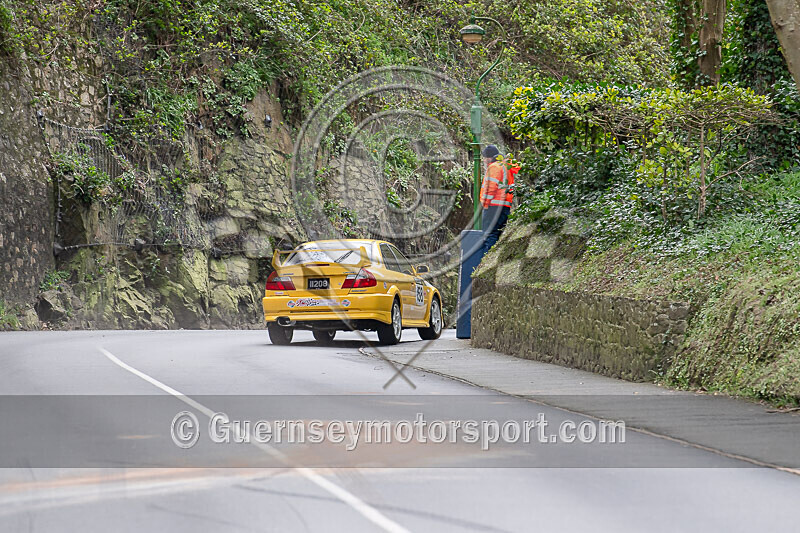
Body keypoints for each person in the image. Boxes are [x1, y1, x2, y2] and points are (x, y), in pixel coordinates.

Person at [479, 144, 514, 255]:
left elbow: (491, 188)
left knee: (489, 235)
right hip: (505, 207)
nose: (484, 160)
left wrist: (485, 203)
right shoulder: (506, 167)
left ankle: (485, 263)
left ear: (490, 157)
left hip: (493, 207)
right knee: (498, 235)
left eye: (485, 158)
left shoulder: (494, 167)